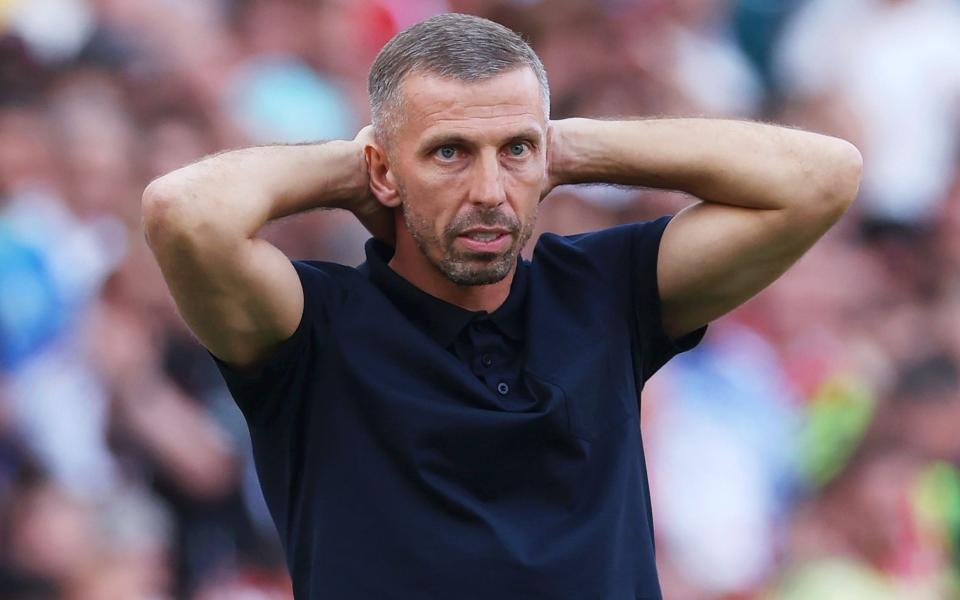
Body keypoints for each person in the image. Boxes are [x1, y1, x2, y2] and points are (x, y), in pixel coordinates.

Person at [141, 12, 861, 600]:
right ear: (383, 171)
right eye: (449, 153)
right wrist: (357, 165)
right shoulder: (312, 328)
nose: (489, 190)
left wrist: (569, 146)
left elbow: (825, 175)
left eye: (513, 150)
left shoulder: (607, 292)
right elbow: (184, 211)